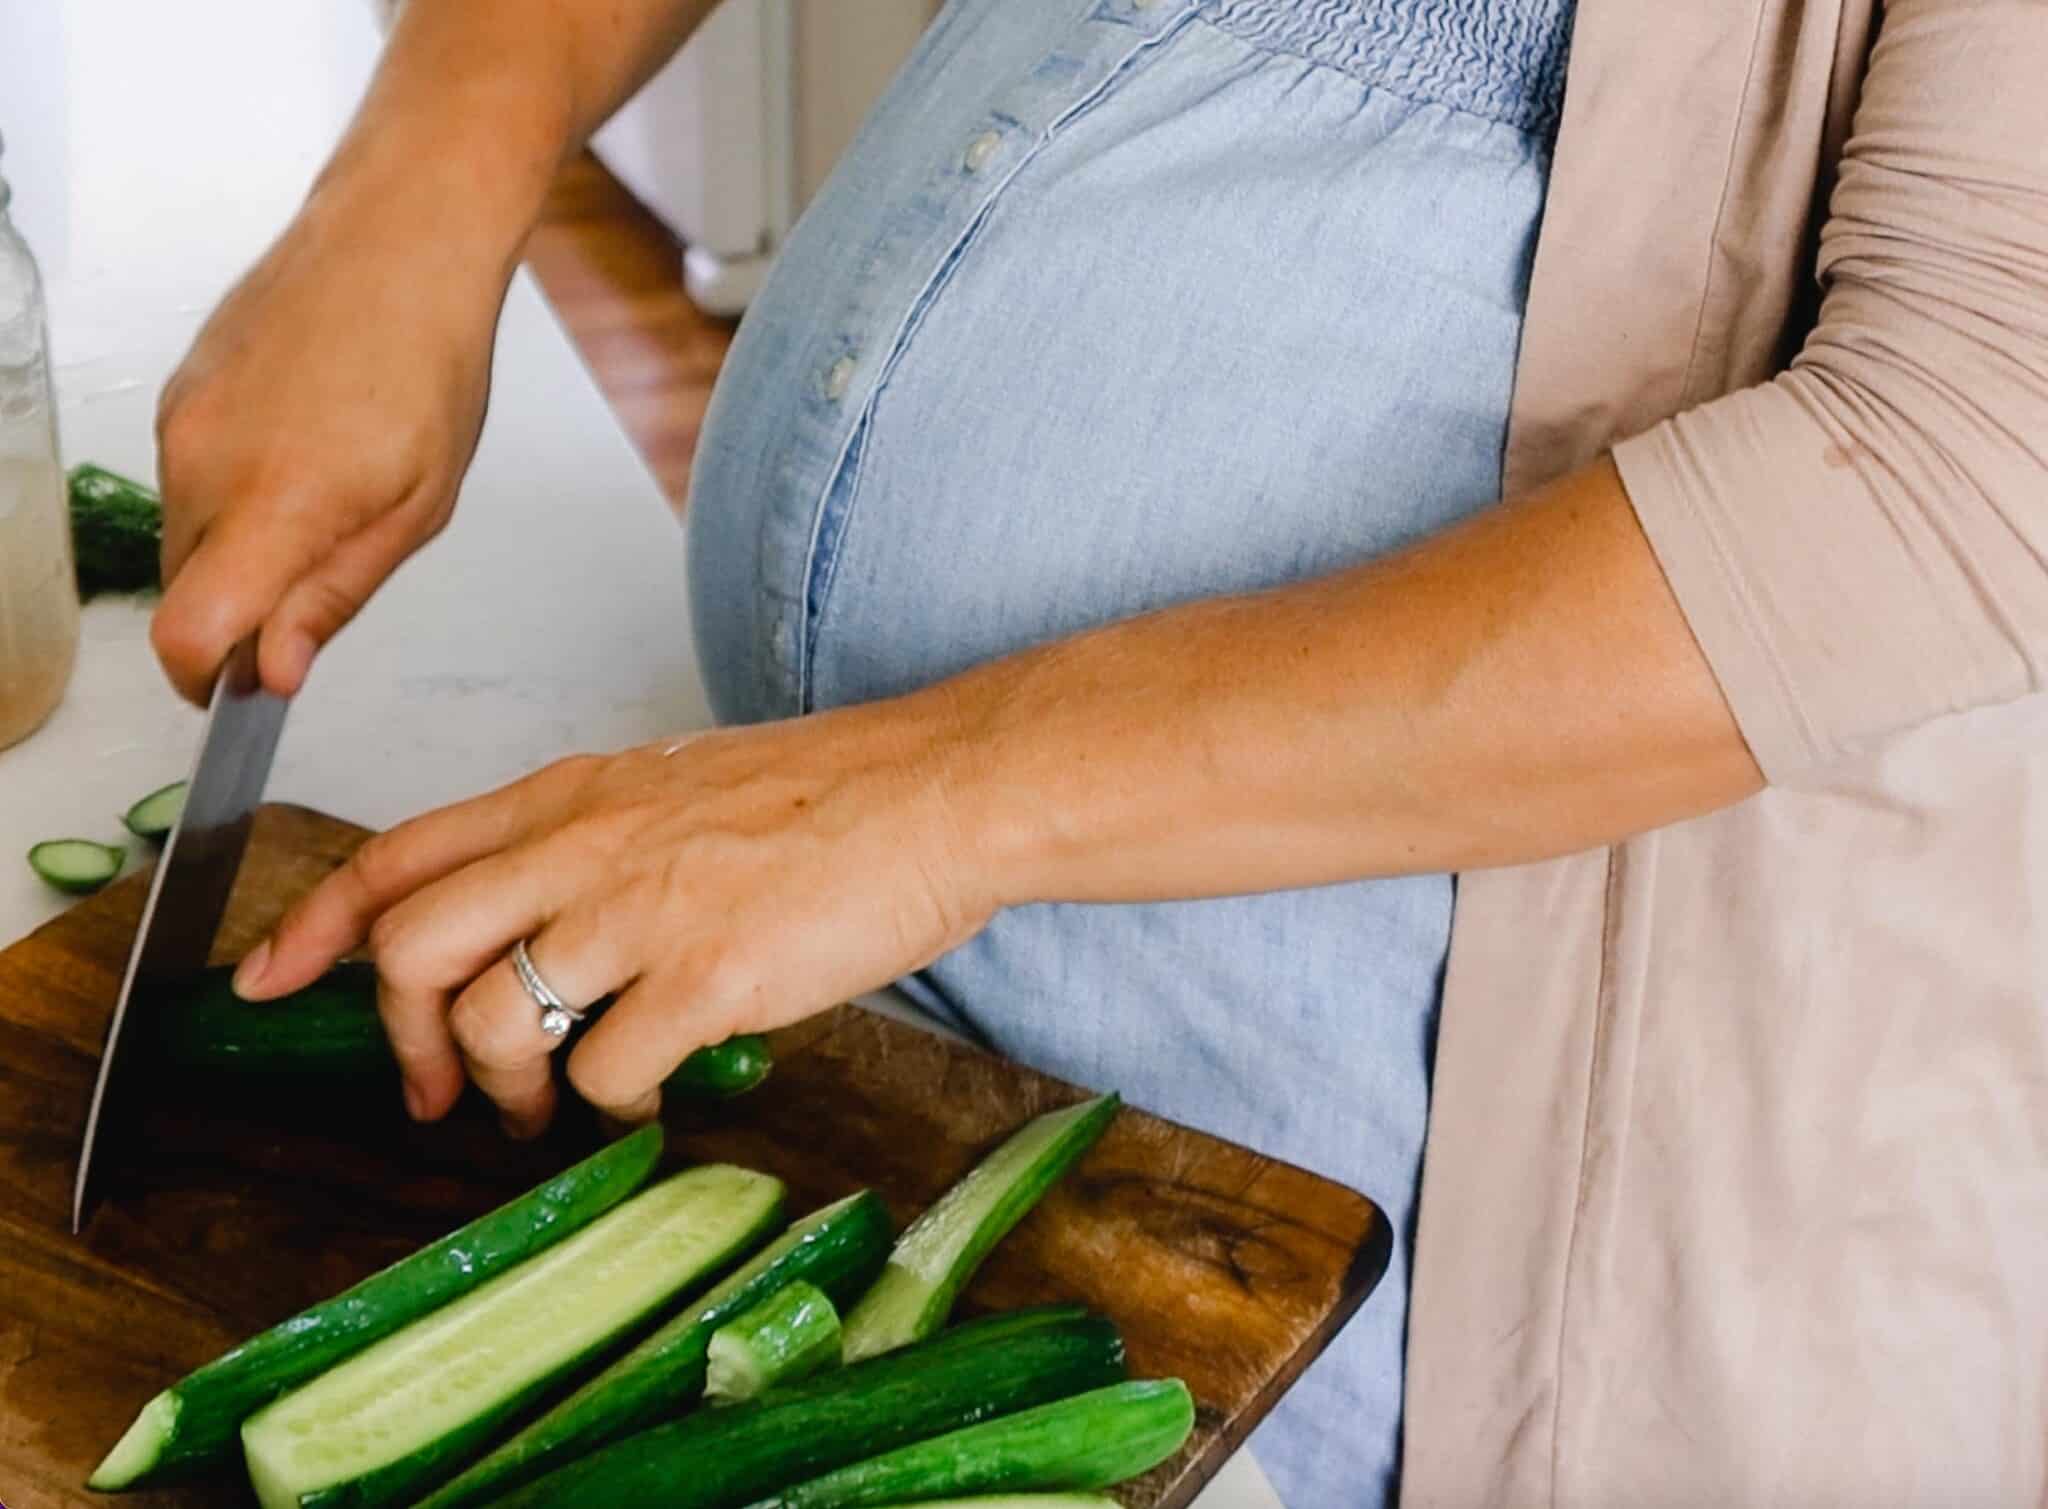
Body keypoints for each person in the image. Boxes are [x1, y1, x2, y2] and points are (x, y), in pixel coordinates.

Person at [149, 0, 2048, 1502]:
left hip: (1400, 1242)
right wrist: (429, 166)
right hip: (873, 1027)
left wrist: (923, 801)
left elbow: (1957, 462)